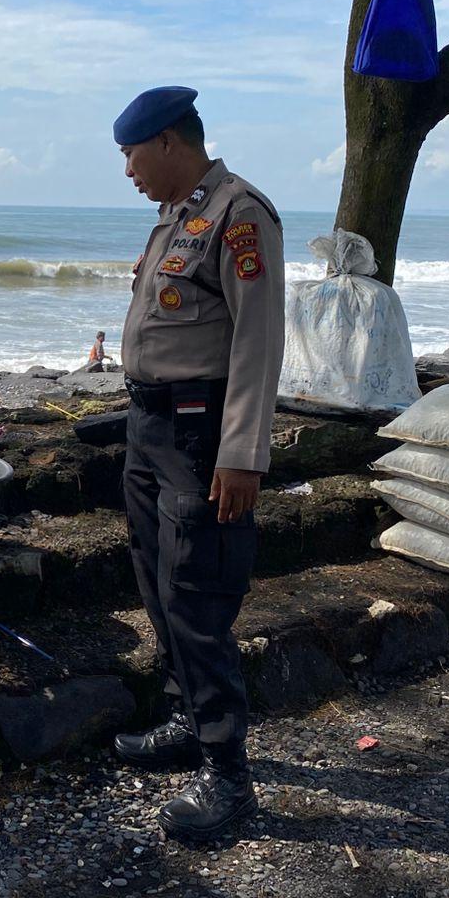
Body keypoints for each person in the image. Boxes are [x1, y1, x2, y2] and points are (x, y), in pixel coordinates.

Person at [108, 86, 285, 843]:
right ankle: (187, 718)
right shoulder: (174, 221)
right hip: (150, 428)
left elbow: (258, 341)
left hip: (201, 435)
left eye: (132, 155)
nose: (128, 171)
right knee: (156, 579)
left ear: (171, 143)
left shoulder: (241, 214)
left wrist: (242, 452)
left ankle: (229, 778)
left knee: (198, 596)